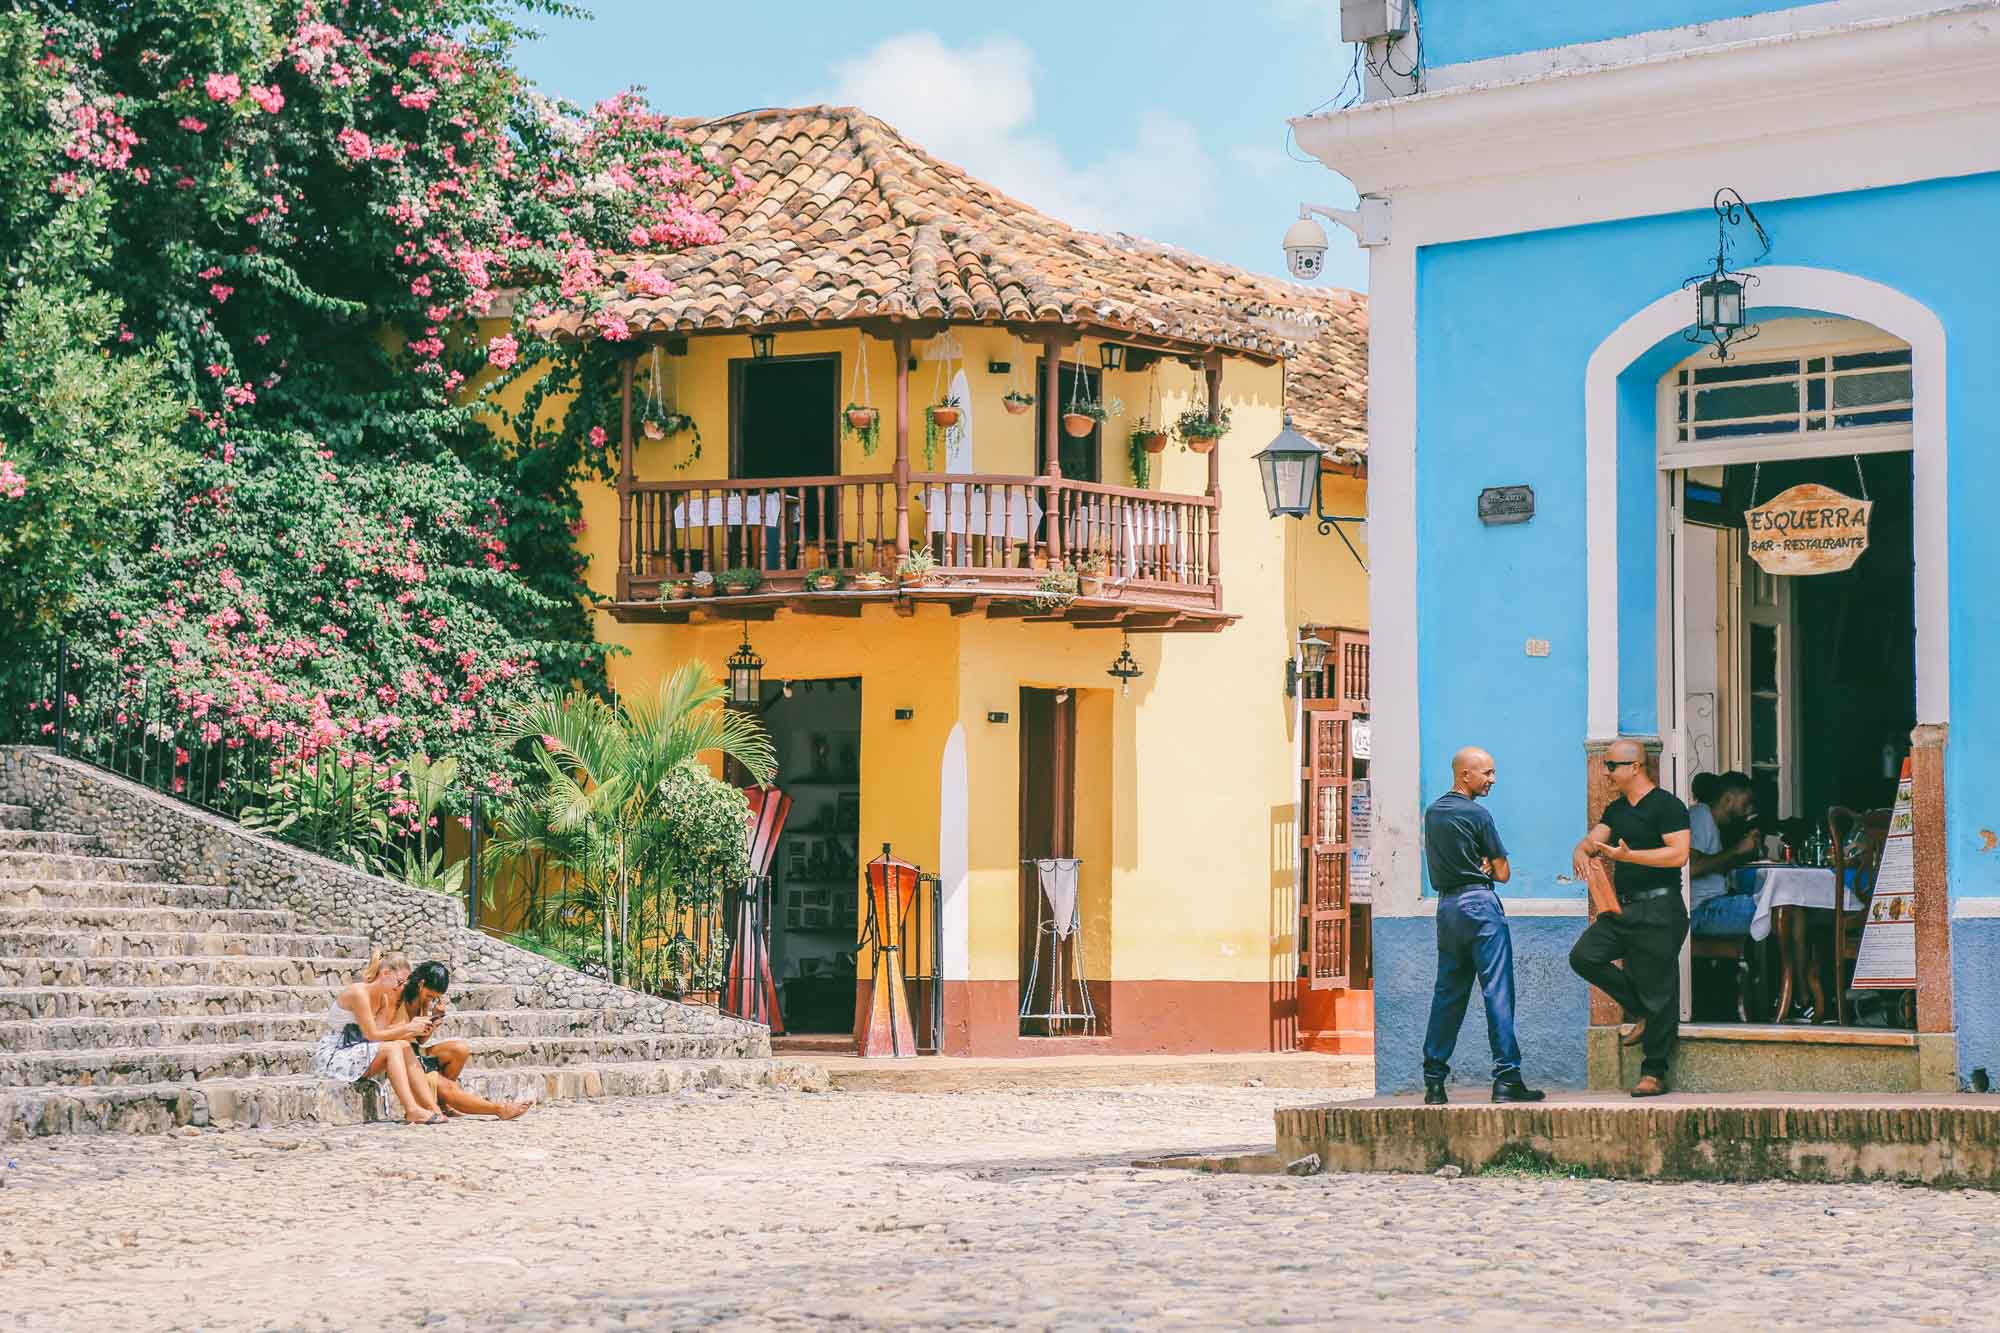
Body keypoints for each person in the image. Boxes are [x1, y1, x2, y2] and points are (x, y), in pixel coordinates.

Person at [1419, 746, 1544, 1105]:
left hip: (1447, 908)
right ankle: (1507, 1079)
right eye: (1487, 773)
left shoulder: (1433, 813)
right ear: (1465, 775)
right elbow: (1503, 873)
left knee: (1448, 994)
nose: (1493, 780)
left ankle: (1434, 1081)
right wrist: (1487, 863)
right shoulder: (1478, 814)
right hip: (1480, 905)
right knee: (1497, 993)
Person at [1567, 740, 1692, 1097]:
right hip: (1622, 910)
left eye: (1611, 766)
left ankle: (1654, 1073)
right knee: (1584, 956)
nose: (1606, 773)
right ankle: (1640, 1011)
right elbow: (1592, 842)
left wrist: (1630, 856)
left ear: (1635, 767)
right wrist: (1581, 851)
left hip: (1660, 909)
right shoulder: (1617, 810)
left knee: (1659, 990)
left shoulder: (1667, 806)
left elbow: (1678, 855)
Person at [309, 949, 448, 1125]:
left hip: (357, 1050)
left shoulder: (383, 998)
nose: (401, 988)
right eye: (399, 982)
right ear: (385, 973)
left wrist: (415, 1030)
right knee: (394, 1048)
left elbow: (380, 1036)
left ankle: (432, 1107)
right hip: (335, 1053)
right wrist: (408, 1027)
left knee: (403, 1046)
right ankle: (412, 1109)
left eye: (403, 983)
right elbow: (372, 1035)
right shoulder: (359, 993)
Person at [384, 961, 530, 1121]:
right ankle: (500, 1109)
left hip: (415, 1049)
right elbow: (387, 1032)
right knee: (448, 1087)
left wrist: (434, 1019)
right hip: (402, 1054)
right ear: (421, 984)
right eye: (430, 995)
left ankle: (443, 1102)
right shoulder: (399, 995)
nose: (431, 999)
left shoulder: (424, 1000)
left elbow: (420, 1040)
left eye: (435, 997)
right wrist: (411, 1027)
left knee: (460, 1049)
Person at [1690, 771, 1761, 939]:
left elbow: (1716, 864)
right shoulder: (1700, 816)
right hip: (1701, 911)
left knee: (1782, 904)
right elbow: (1690, 868)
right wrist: (1737, 849)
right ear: (1728, 799)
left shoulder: (1715, 823)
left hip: (1715, 904)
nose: (1749, 810)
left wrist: (1745, 852)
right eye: (1745, 803)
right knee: (1776, 909)